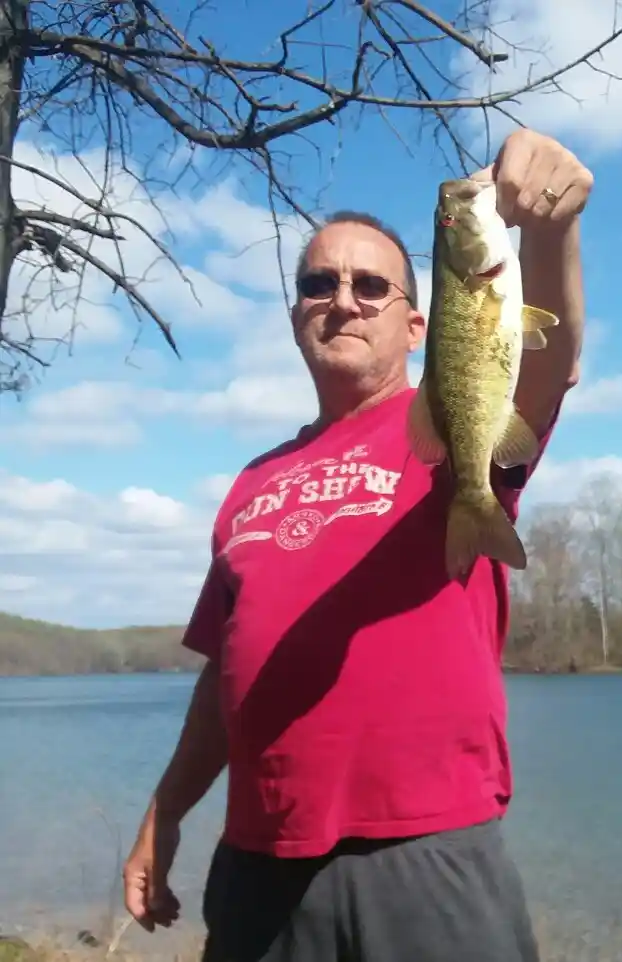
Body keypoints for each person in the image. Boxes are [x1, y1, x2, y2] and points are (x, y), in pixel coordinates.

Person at [122, 128, 592, 962]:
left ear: (418, 324)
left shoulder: (449, 429)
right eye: (319, 282)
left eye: (371, 284)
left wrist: (550, 230)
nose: (343, 298)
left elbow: (545, 364)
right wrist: (165, 814)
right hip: (259, 858)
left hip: (429, 853)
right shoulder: (248, 485)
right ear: (295, 311)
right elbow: (225, 678)